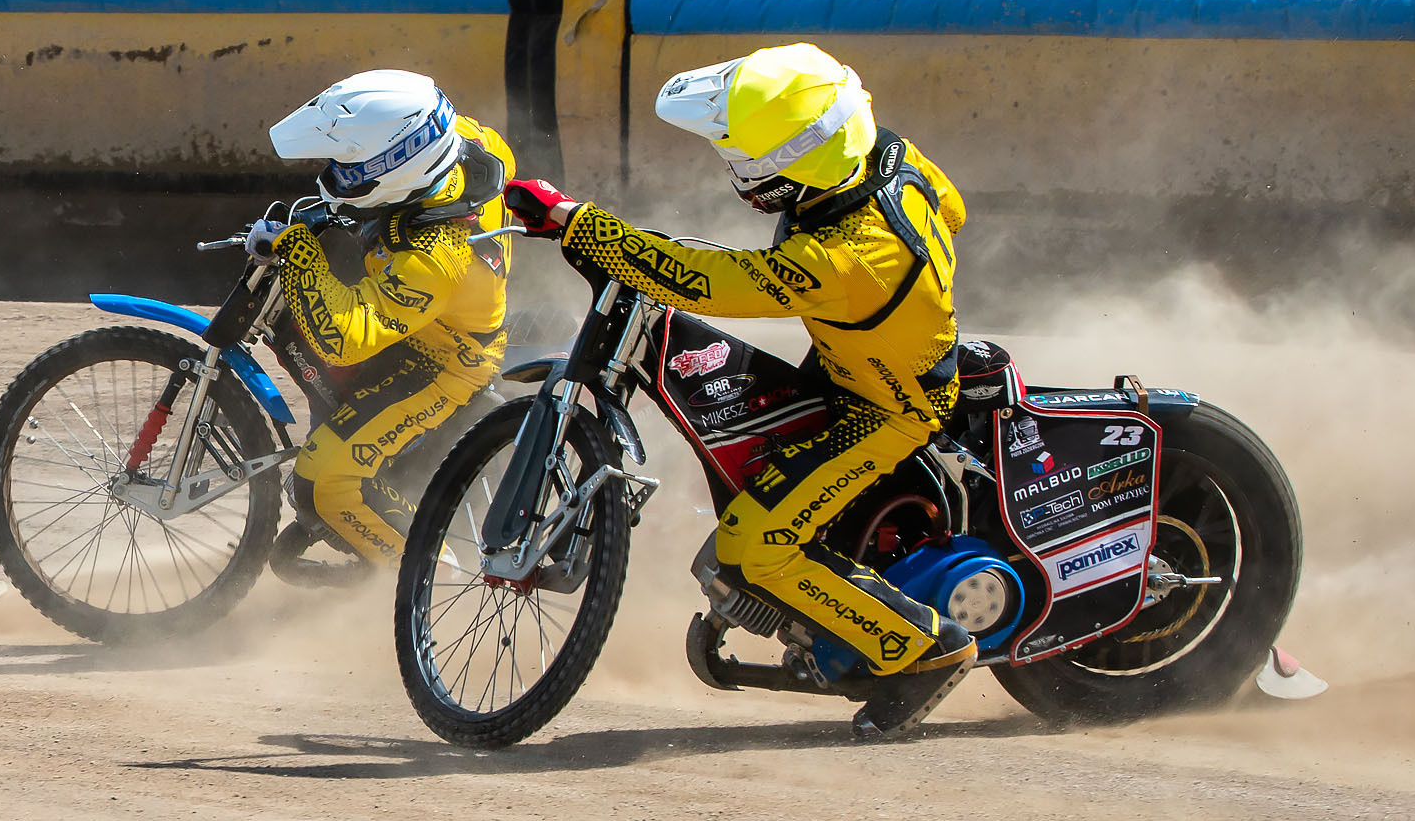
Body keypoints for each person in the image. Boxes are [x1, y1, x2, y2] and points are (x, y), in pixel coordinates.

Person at [500, 43, 974, 735]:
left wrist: (581, 223)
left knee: (756, 545)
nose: (737, 174)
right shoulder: (884, 157)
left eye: (750, 164)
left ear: (801, 163)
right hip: (857, 364)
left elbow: (706, 281)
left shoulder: (847, 258)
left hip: (886, 409)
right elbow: (952, 211)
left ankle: (922, 649)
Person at [247, 70, 511, 566]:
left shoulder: (434, 257)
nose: (332, 177)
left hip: (443, 366)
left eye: (347, 168)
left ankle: (431, 581)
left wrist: (295, 246)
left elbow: (343, 338)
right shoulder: (464, 139)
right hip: (432, 309)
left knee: (321, 485)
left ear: (398, 166)